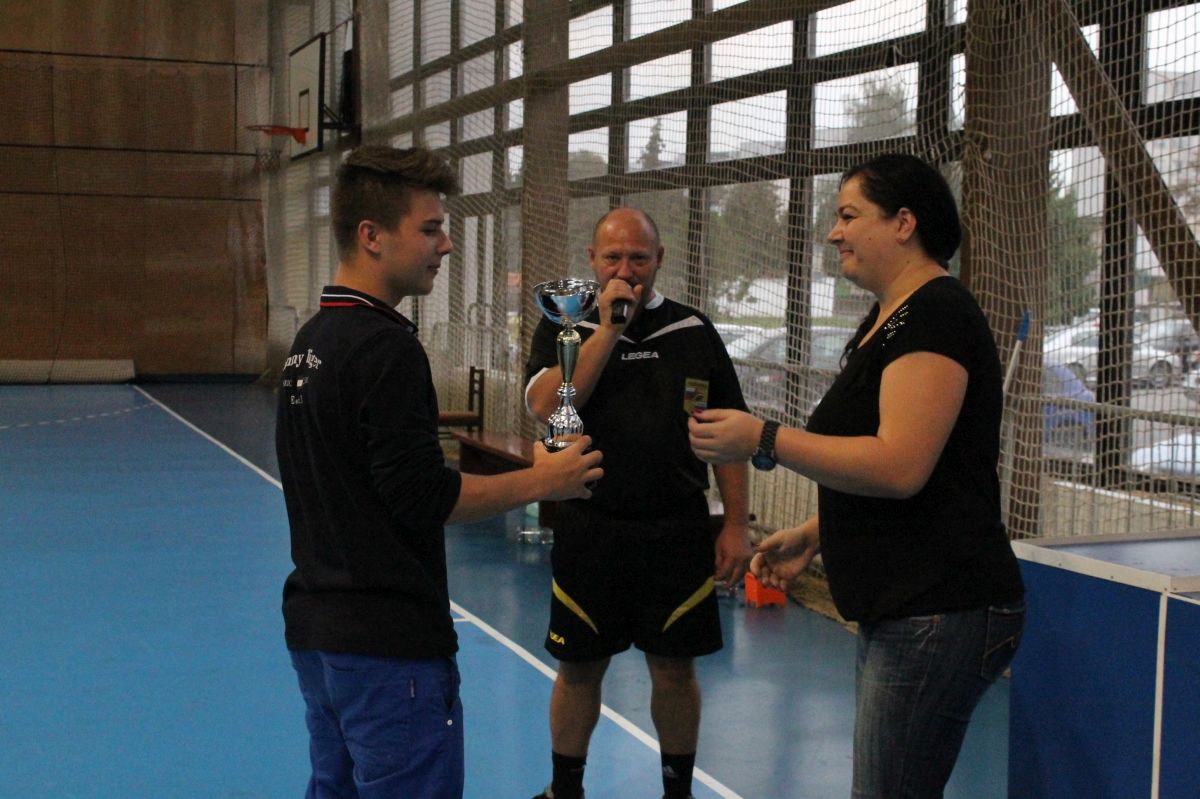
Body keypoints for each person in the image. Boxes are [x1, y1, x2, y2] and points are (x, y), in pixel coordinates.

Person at [688, 153, 1026, 798]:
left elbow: (900, 467)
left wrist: (762, 437)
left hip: (938, 606)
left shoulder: (935, 314)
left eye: (848, 216)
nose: (834, 233)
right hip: (902, 605)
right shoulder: (888, 318)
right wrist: (818, 531)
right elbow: (924, 468)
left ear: (904, 223)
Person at [276, 145, 604, 799]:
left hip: (321, 634)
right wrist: (545, 481)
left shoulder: (311, 341)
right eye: (430, 229)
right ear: (371, 235)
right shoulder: (386, 348)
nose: (446, 245)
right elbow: (423, 494)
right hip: (388, 648)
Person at [524, 207, 752, 799]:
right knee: (579, 669)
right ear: (592, 260)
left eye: (639, 258)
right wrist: (606, 332)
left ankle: (677, 791)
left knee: (674, 670)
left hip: (675, 530)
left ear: (659, 260)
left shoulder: (693, 330)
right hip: (590, 527)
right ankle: (565, 790)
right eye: (613, 258)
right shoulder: (566, 324)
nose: (626, 270)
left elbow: (727, 433)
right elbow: (548, 408)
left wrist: (735, 526)